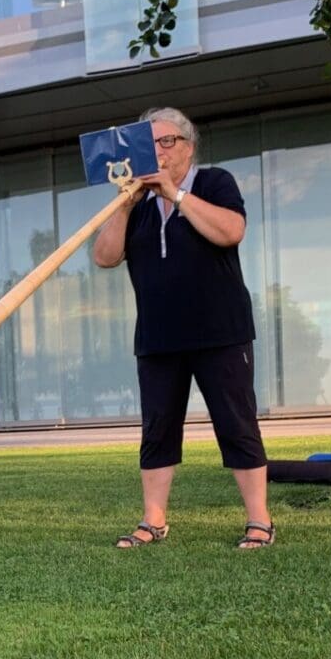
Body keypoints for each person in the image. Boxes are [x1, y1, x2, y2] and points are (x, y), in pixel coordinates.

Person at [92, 107, 272, 550]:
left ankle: (259, 521)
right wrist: (125, 205)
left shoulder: (214, 183)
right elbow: (105, 256)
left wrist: (174, 193)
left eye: (166, 141)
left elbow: (232, 231)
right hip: (158, 338)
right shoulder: (135, 202)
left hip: (221, 332)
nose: (158, 151)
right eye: (149, 143)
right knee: (157, 430)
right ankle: (153, 520)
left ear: (188, 147)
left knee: (237, 424)